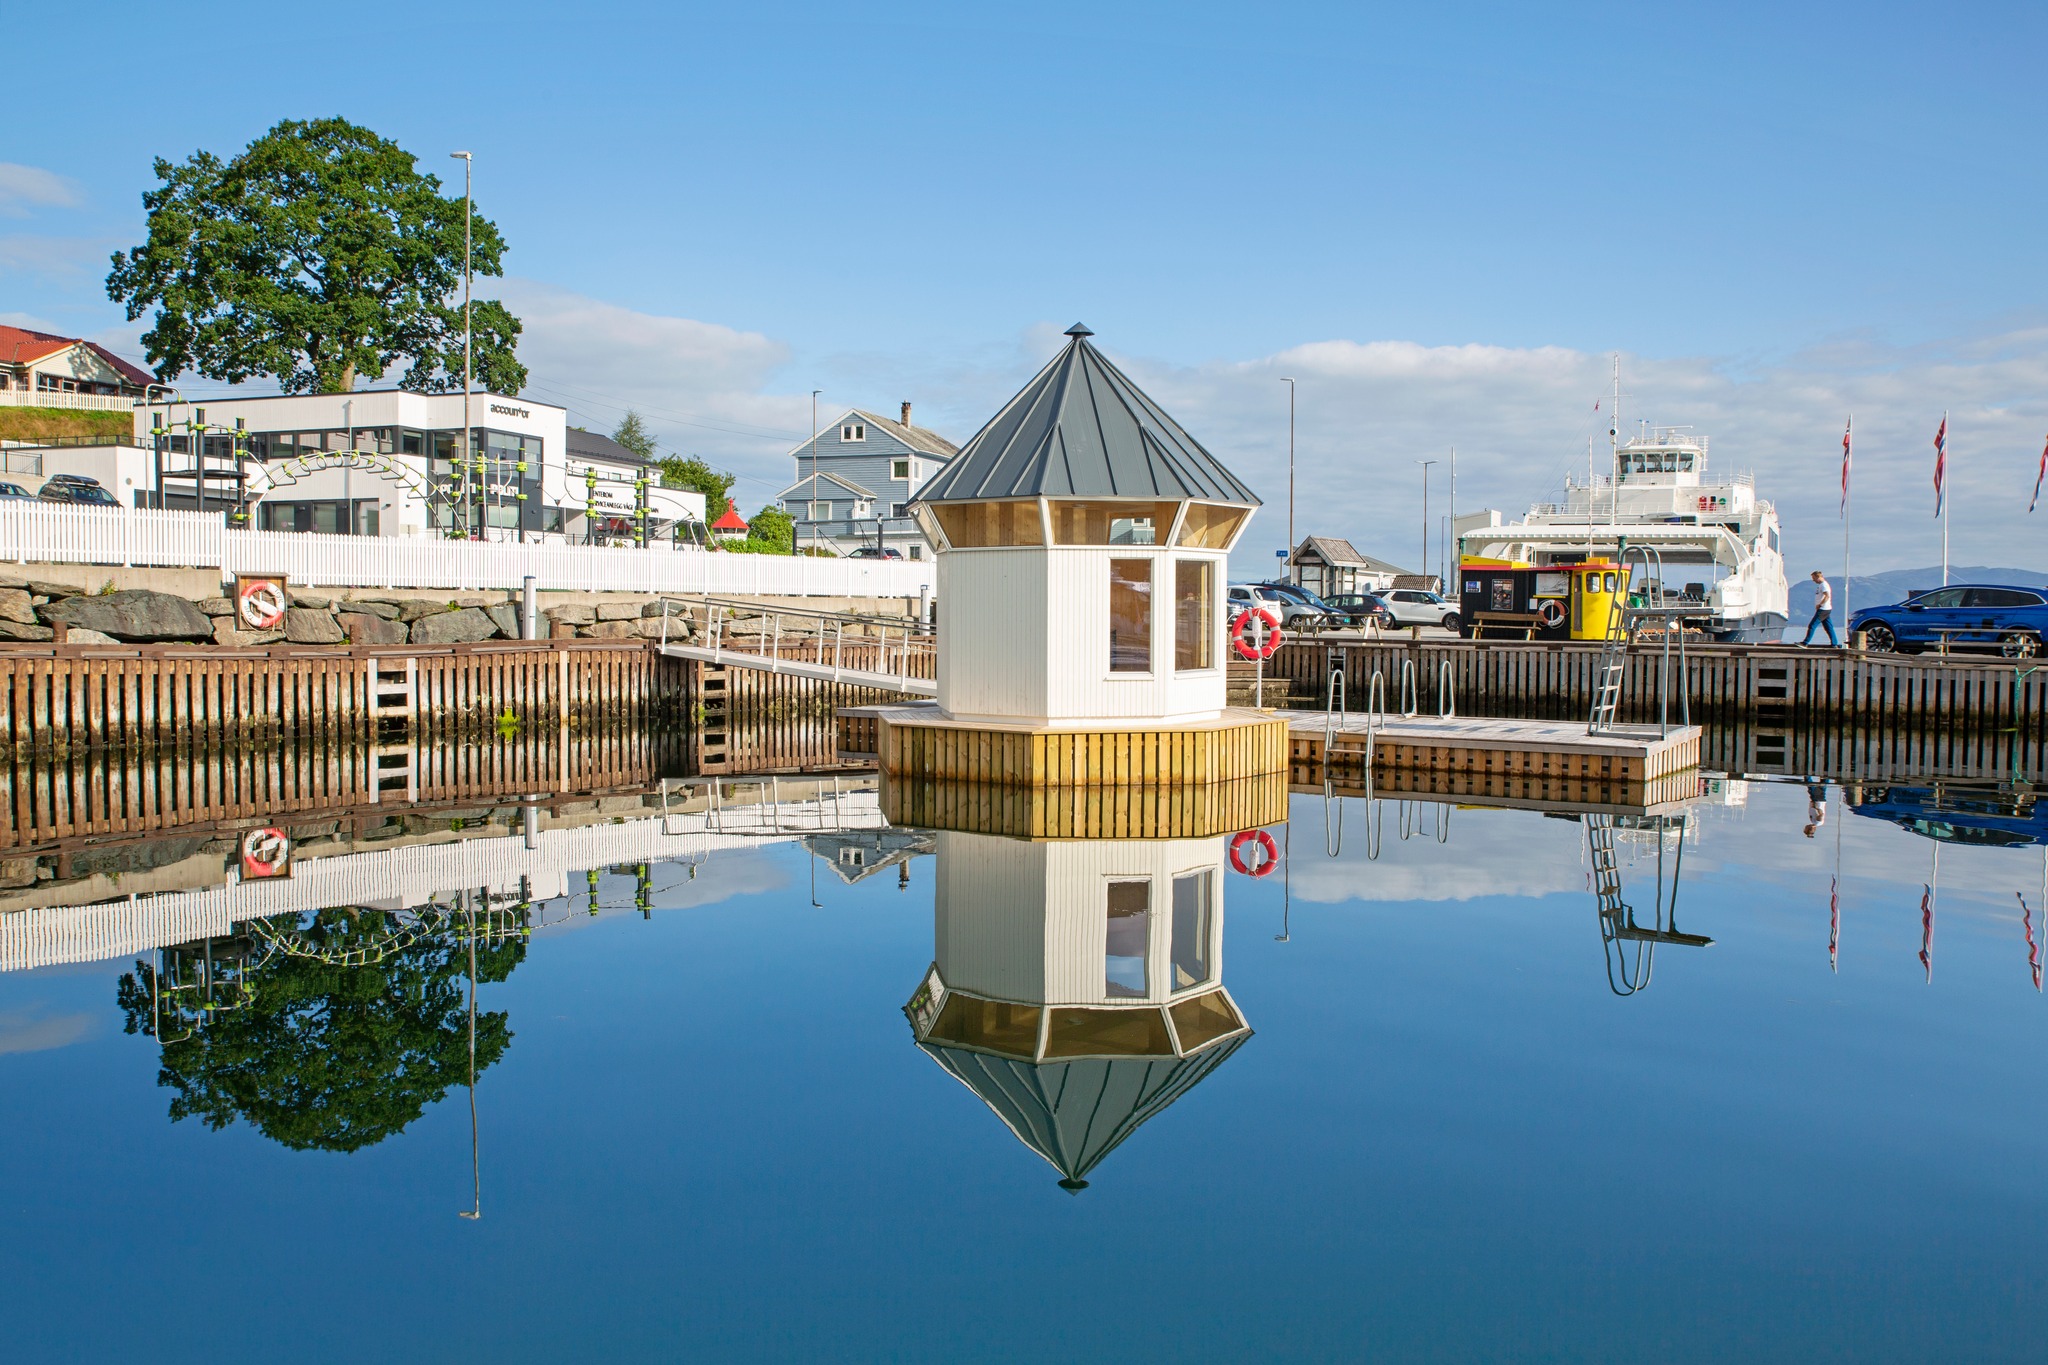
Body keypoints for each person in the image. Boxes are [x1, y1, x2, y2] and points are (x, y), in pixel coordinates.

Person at [1800, 570, 1839, 647]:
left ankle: (1805, 643)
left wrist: (1820, 604)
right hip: (1826, 609)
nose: (1813, 580)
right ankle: (1834, 643)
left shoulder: (1824, 585)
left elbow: (1827, 596)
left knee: (1812, 625)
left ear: (1818, 577)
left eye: (1814, 578)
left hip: (1823, 609)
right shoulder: (1821, 585)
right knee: (1828, 627)